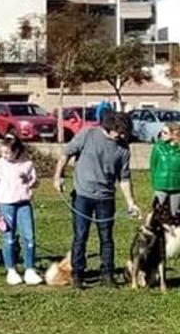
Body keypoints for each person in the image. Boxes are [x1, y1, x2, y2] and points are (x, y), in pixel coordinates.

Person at [53, 113, 141, 289]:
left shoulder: (123, 149)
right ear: (109, 128)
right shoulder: (88, 135)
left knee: (107, 238)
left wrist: (131, 202)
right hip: (82, 196)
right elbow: (66, 154)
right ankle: (77, 274)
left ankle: (107, 274)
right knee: (80, 236)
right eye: (120, 132)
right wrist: (58, 176)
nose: (123, 136)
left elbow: (124, 178)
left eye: (125, 132)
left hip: (106, 198)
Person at [0, 135, 42, 286]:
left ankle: (30, 269)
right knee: (8, 238)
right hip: (6, 204)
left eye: (7, 153)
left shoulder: (27, 163)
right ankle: (11, 269)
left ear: (16, 150)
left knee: (29, 237)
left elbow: (36, 182)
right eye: (2, 152)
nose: (4, 156)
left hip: (24, 203)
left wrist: (30, 181)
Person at [150, 123, 180, 217]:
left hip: (177, 187)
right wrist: (155, 184)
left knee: (175, 215)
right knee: (157, 214)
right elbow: (153, 166)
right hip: (160, 186)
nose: (162, 134)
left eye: (165, 132)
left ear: (174, 134)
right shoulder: (157, 147)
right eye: (161, 132)